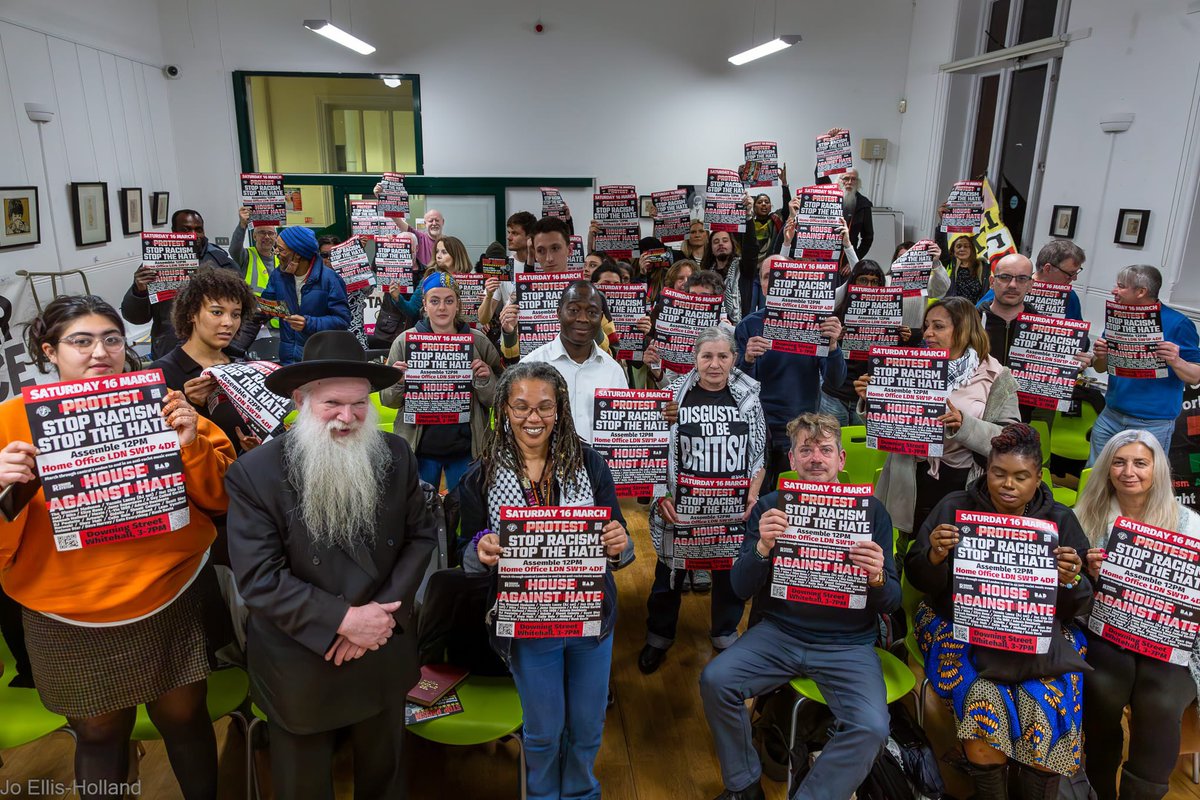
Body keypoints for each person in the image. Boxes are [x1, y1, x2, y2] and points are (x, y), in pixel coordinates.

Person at [0, 295, 236, 800]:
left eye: (111, 338)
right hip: (67, 612)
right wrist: (7, 495)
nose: (99, 352)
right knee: (98, 733)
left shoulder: (163, 401)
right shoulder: (12, 421)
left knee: (185, 717)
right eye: (80, 341)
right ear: (49, 352)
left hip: (167, 596)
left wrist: (192, 443)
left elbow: (221, 497)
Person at [226, 330, 437, 799]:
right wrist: (344, 620)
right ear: (301, 400)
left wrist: (378, 618)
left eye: (360, 403)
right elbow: (259, 579)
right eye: (333, 404)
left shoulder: (396, 454)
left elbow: (420, 538)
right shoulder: (254, 474)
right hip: (302, 659)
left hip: (383, 646)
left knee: (386, 781)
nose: (348, 417)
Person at [701, 412, 900, 800]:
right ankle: (743, 786)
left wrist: (876, 577)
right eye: (805, 450)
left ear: (841, 459)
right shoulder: (771, 508)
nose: (815, 459)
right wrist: (761, 548)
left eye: (825, 450)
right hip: (779, 633)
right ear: (791, 460)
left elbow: (890, 601)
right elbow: (740, 588)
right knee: (715, 681)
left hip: (849, 644)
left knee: (873, 727)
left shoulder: (872, 512)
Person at [460, 362, 632, 800]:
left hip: (591, 617)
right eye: (520, 406)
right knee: (543, 730)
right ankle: (540, 795)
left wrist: (620, 543)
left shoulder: (591, 462)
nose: (533, 418)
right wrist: (481, 549)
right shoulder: (477, 476)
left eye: (544, 407)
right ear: (503, 409)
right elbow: (468, 551)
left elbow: (620, 542)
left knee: (589, 725)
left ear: (560, 411)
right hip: (526, 622)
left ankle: (580, 792)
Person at [905, 423, 1091, 799]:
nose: (1008, 484)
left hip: (1042, 633)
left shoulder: (1060, 520)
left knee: (1047, 705)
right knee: (982, 698)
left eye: (1021, 477)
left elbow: (1078, 604)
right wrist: (935, 555)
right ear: (985, 470)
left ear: (1038, 477)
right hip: (957, 624)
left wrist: (1070, 579)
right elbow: (919, 578)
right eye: (999, 473)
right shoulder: (953, 507)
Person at [1076, 430, 1200, 800]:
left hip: (1171, 643)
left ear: (1157, 469)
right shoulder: (1083, 518)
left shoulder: (1188, 523)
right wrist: (1088, 576)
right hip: (1106, 633)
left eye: (1140, 463)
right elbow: (1067, 596)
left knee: (1160, 703)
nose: (1129, 471)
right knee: (1101, 690)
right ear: (1106, 468)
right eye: (1119, 461)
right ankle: (1099, 787)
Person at [640, 326, 766, 673]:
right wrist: (661, 495)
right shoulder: (673, 398)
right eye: (707, 356)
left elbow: (759, 455)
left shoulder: (749, 398)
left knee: (728, 574)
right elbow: (652, 454)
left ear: (734, 359)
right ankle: (658, 637)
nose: (714, 364)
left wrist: (753, 496)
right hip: (679, 509)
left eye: (722, 356)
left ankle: (725, 633)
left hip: (733, 511)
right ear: (694, 359)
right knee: (669, 576)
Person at [856, 296, 1021, 552]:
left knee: (957, 552)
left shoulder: (997, 375)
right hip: (914, 477)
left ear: (964, 328)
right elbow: (886, 428)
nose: (928, 333)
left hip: (967, 480)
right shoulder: (908, 366)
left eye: (938, 326)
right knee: (911, 550)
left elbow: (1012, 440)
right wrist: (872, 402)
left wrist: (965, 426)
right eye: (926, 325)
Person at [380, 270, 501, 491]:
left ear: (458, 305)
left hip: (467, 450)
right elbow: (387, 400)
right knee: (420, 517)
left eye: (449, 301)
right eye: (434, 301)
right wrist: (397, 383)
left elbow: (499, 399)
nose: (442, 307)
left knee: (467, 515)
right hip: (419, 451)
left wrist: (485, 379)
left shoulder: (478, 342)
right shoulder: (404, 342)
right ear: (424, 305)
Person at [737, 254, 846, 491]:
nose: (775, 283)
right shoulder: (748, 325)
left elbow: (836, 381)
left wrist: (834, 347)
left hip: (801, 430)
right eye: (768, 277)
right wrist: (746, 360)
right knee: (756, 498)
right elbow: (734, 386)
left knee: (795, 501)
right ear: (762, 285)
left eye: (781, 277)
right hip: (756, 429)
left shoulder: (818, 324)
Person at [1089, 265, 1200, 463]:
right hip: (1111, 415)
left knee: (1140, 484)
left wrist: (1176, 360)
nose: (1114, 290)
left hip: (1152, 424)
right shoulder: (1118, 316)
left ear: (1141, 292)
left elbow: (1195, 375)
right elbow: (1100, 368)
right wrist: (1101, 355)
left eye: (1121, 286)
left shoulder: (1179, 323)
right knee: (1094, 476)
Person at [153, 268, 260, 454]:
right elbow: (161, 448)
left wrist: (255, 447)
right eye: (217, 312)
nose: (228, 322)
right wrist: (189, 406)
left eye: (235, 314)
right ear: (191, 315)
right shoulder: (161, 374)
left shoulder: (242, 363)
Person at [498, 216, 618, 362]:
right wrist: (508, 331)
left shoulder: (594, 296)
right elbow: (511, 359)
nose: (549, 258)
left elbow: (611, 353)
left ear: (570, 250)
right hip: (538, 377)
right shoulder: (522, 297)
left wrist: (593, 324)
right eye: (541, 250)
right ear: (535, 254)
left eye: (555, 248)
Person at [122, 209, 238, 359]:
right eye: (186, 229)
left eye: (198, 229)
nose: (193, 235)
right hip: (169, 350)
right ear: (173, 231)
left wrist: (236, 348)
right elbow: (137, 318)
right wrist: (139, 291)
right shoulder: (154, 265)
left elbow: (242, 309)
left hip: (215, 351)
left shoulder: (221, 262)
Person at [520, 281, 628, 443]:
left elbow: (625, 426)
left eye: (592, 312)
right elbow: (512, 423)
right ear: (559, 313)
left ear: (601, 318)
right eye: (573, 310)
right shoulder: (530, 365)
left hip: (598, 467)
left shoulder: (613, 371)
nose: (583, 319)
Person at [234, 226, 351, 365]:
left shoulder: (330, 280)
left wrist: (308, 323)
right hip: (288, 362)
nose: (276, 252)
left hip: (321, 362)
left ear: (298, 254)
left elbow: (342, 320)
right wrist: (233, 350)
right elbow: (265, 310)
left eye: (281, 249)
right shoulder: (278, 276)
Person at [819, 259, 914, 426]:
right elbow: (819, 356)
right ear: (853, 282)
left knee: (862, 449)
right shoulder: (835, 315)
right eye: (863, 280)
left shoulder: (891, 321)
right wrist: (833, 340)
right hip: (834, 395)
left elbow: (891, 364)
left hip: (865, 396)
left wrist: (904, 341)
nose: (869, 287)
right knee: (829, 445)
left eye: (874, 282)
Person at [976, 240, 1088, 320]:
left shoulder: (1070, 297)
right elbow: (975, 317)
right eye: (1070, 273)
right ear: (1047, 268)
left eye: (1076, 272)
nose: (1074, 278)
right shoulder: (1007, 287)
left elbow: (1083, 340)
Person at [479, 211, 537, 328]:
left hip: (539, 332)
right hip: (510, 335)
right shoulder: (503, 266)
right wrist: (489, 295)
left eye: (515, 233)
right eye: (509, 232)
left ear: (529, 237)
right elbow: (483, 319)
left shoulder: (544, 265)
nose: (509, 237)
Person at [700, 209, 758, 323]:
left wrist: (748, 218)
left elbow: (751, 249)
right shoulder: (705, 274)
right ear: (711, 249)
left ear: (732, 245)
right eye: (716, 242)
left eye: (725, 240)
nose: (721, 244)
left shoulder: (744, 268)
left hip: (739, 327)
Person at [230, 207, 279, 298]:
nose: (267, 237)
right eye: (262, 233)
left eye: (270, 233)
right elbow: (234, 249)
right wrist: (242, 224)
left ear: (276, 237)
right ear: (254, 236)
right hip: (253, 308)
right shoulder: (246, 256)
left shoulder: (280, 259)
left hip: (275, 309)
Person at [749, 165, 791, 268]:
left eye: (766, 202)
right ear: (754, 207)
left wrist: (784, 184)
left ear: (770, 206)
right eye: (759, 202)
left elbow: (787, 209)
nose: (763, 204)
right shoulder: (749, 224)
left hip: (771, 266)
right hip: (752, 268)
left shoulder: (776, 219)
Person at [940, 233, 987, 305]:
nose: (962, 249)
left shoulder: (983, 267)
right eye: (958, 246)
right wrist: (942, 226)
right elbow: (941, 244)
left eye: (966, 246)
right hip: (951, 309)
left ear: (972, 250)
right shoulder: (950, 264)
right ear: (953, 251)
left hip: (973, 312)